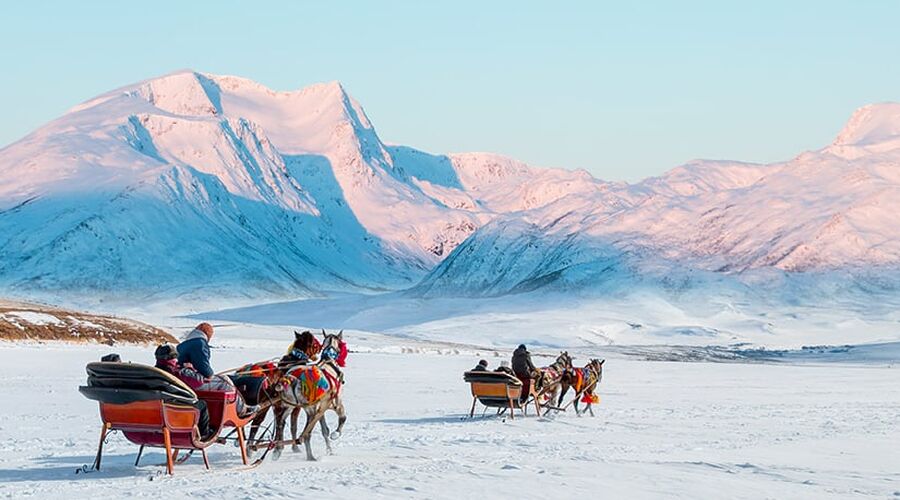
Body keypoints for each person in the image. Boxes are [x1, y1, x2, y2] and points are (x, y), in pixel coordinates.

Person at [177, 322, 253, 415]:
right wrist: (209, 374)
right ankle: (242, 409)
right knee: (225, 380)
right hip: (192, 382)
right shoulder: (199, 343)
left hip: (182, 380)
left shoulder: (183, 344)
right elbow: (205, 369)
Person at [154, 344, 212, 439]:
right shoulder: (178, 372)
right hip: (176, 407)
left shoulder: (154, 372)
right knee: (202, 404)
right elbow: (199, 381)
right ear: (174, 357)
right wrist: (189, 368)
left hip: (158, 408)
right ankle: (204, 434)